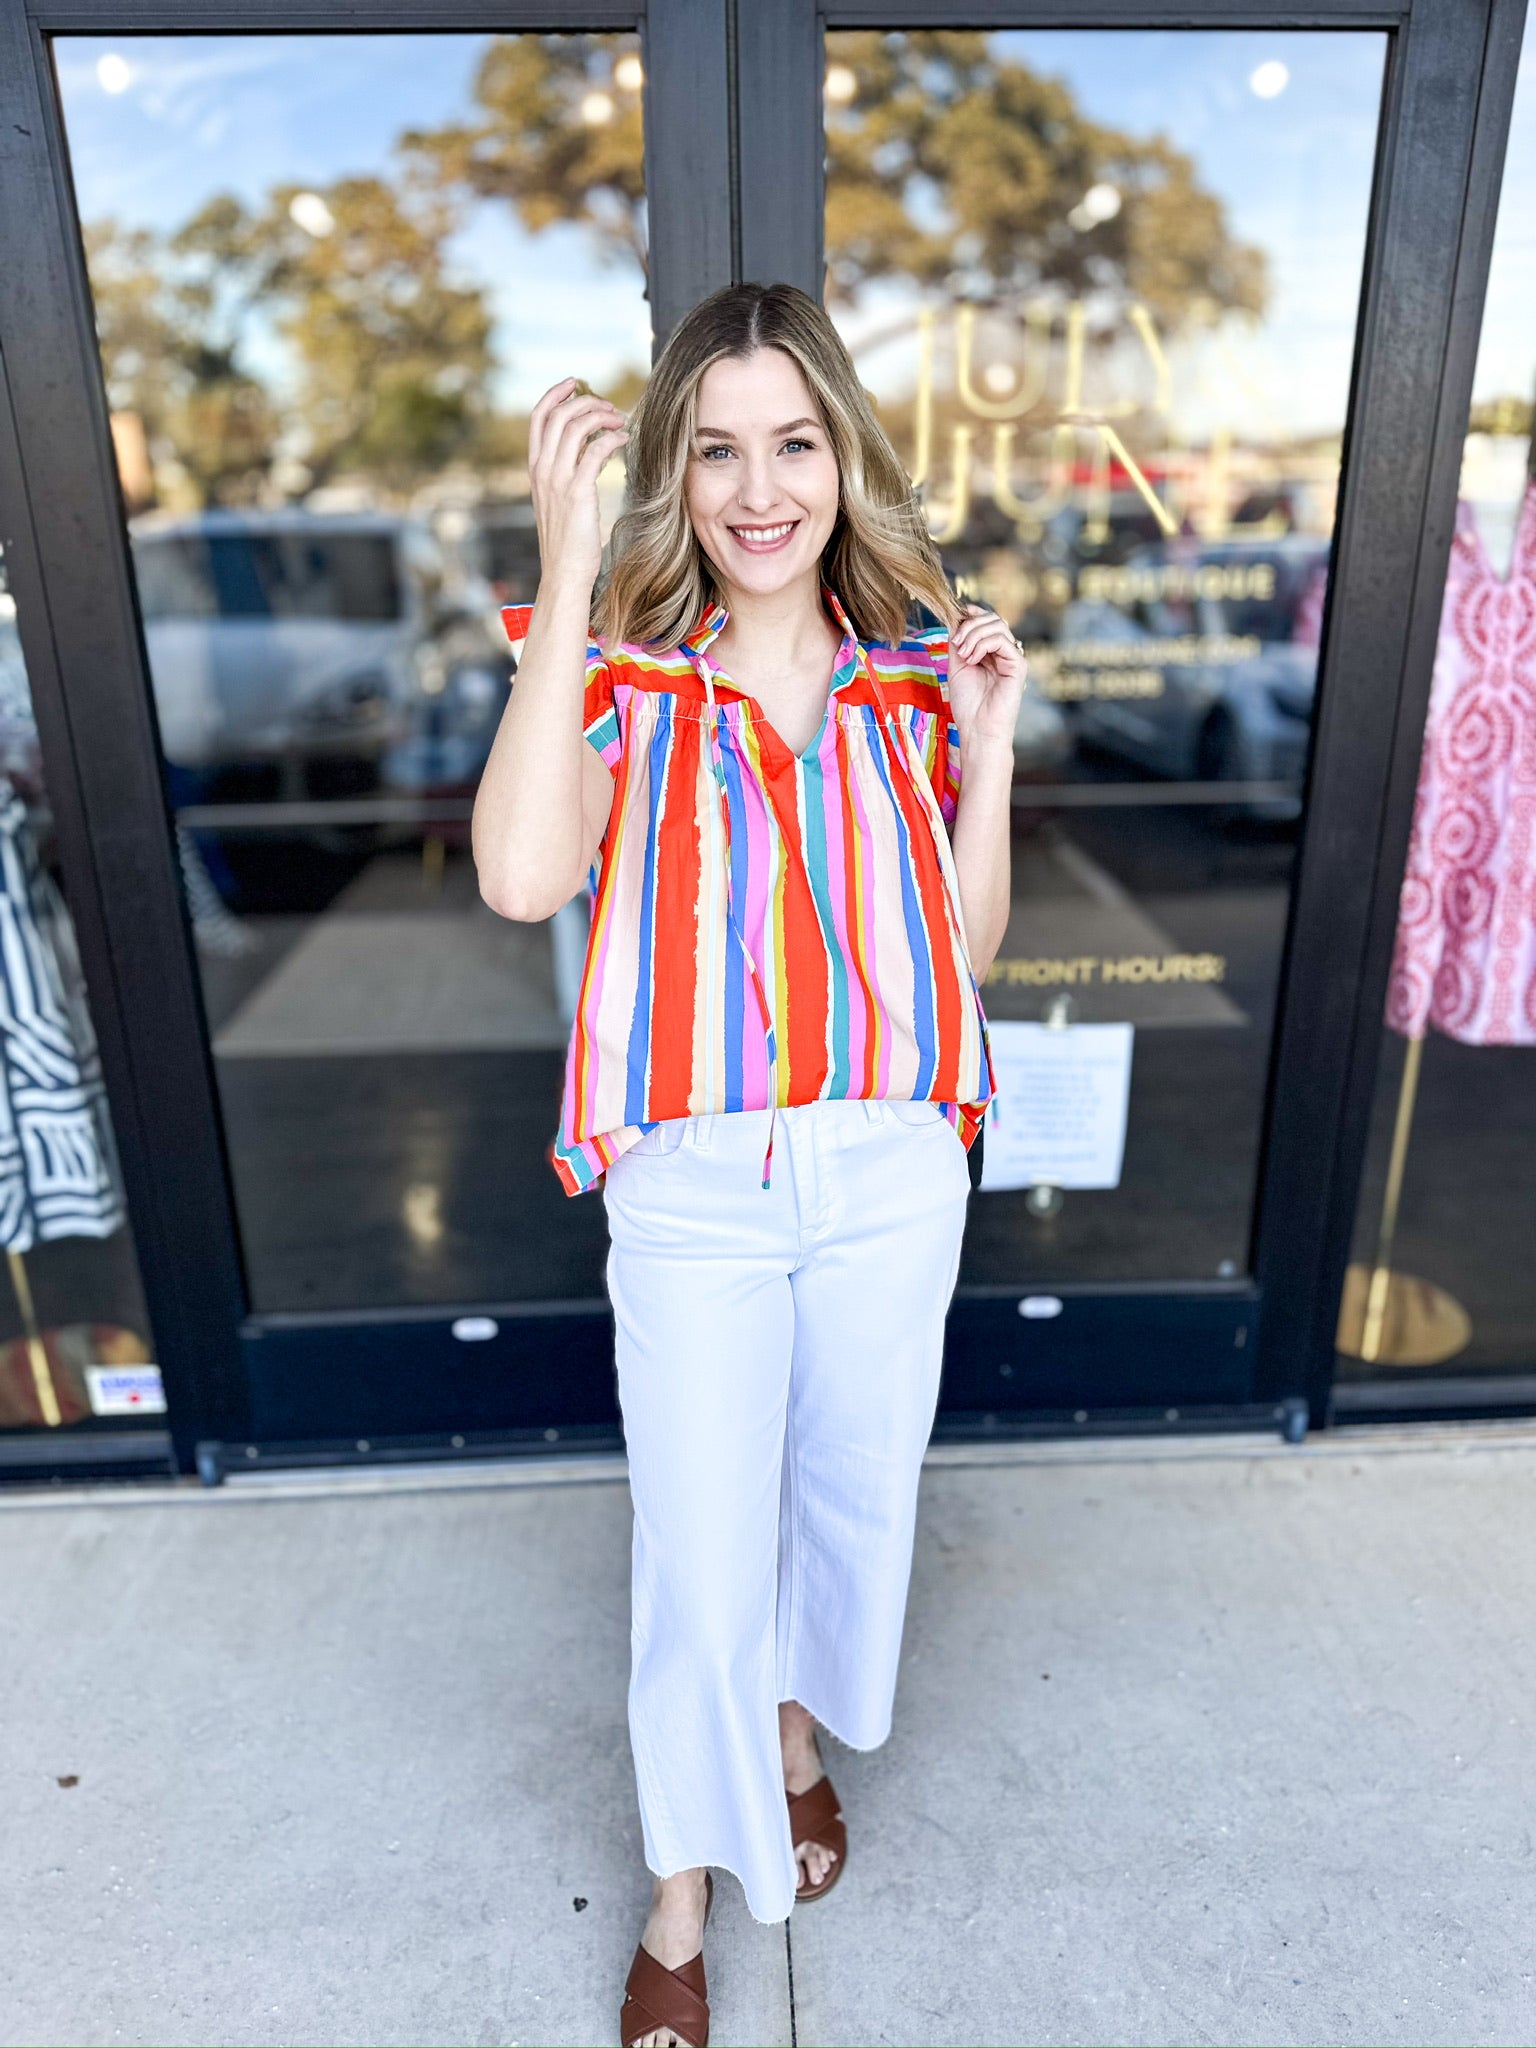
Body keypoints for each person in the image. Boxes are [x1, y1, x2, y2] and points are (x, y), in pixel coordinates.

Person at [473, 281, 1024, 2048]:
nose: (759, 487)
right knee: (701, 1550)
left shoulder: (914, 680)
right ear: (672, 473)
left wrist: (995, 749)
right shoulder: (626, 679)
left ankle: (789, 1734)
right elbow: (519, 879)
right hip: (700, 1188)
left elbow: (970, 946)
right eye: (716, 449)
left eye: (794, 442)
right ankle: (683, 1883)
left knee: (852, 1495)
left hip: (888, 1166)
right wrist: (567, 573)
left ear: (844, 458)